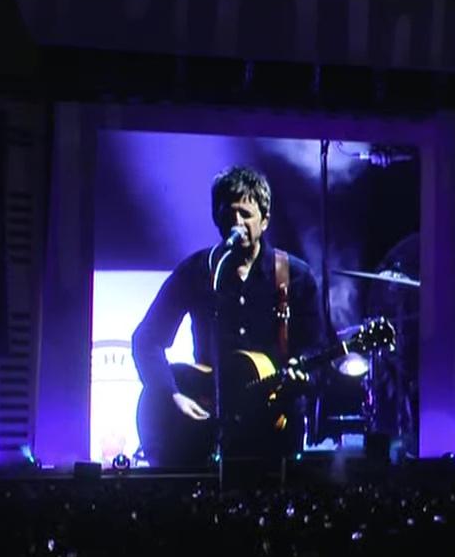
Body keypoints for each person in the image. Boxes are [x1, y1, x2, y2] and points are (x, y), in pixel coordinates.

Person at [132, 166, 329, 465]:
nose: (237, 222)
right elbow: (146, 339)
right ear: (216, 217)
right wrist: (171, 394)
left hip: (274, 428)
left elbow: (318, 349)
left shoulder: (295, 276)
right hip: (207, 427)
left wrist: (303, 377)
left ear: (265, 220)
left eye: (246, 214)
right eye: (229, 213)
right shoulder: (197, 271)